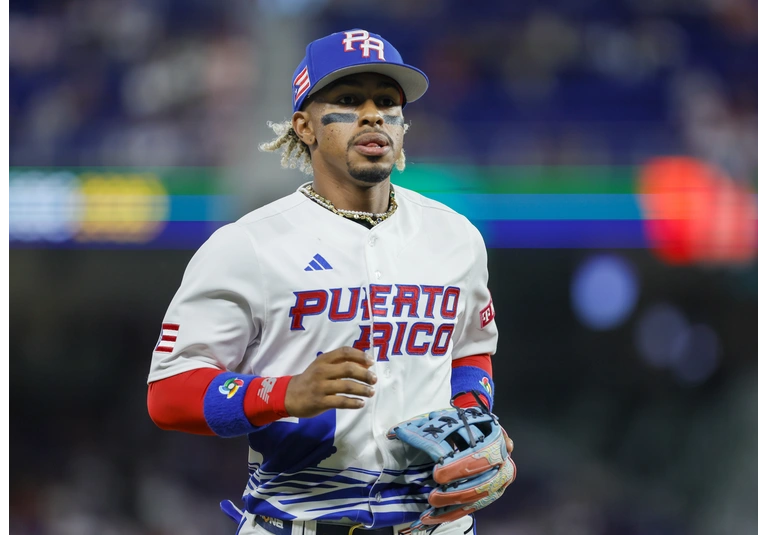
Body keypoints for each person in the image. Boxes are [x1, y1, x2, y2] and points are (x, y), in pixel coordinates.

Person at [146, 28, 514, 535]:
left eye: (387, 102)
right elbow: (168, 394)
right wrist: (283, 393)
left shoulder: (456, 237)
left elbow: (469, 351)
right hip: (295, 522)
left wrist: (474, 420)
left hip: (435, 525)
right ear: (305, 126)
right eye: (347, 100)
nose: (372, 115)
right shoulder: (246, 245)